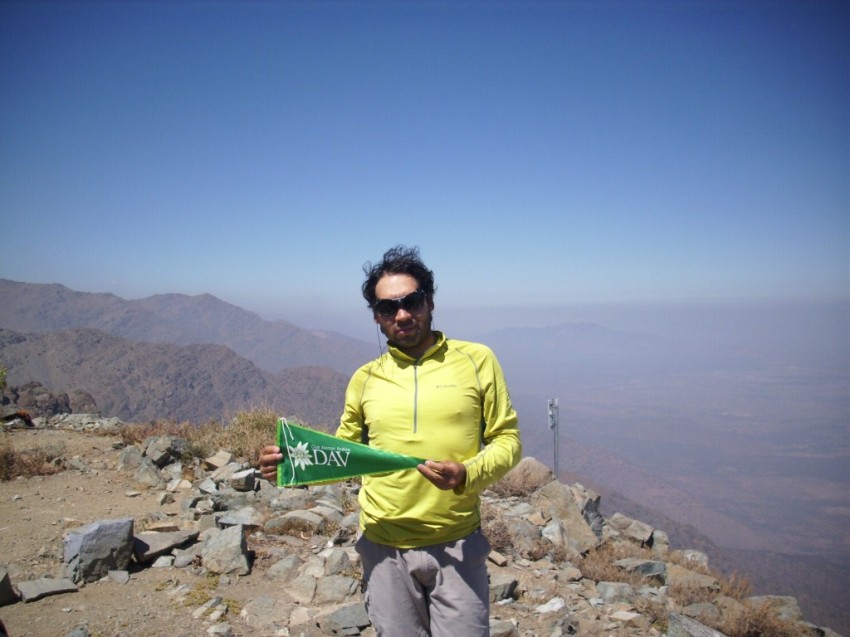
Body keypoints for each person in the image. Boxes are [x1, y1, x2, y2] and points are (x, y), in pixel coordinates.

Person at [259, 245, 521, 636]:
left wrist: (467, 473)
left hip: (457, 544)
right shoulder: (365, 378)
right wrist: (289, 464)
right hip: (383, 547)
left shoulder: (477, 360)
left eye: (411, 301)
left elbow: (507, 440)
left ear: (430, 302)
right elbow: (343, 454)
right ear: (377, 317)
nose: (401, 314)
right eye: (387, 308)